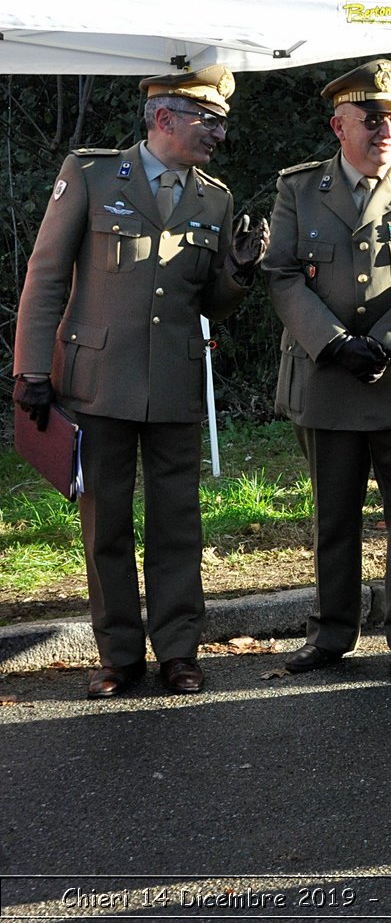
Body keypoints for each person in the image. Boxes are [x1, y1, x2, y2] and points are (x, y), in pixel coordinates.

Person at [12, 66, 265, 698]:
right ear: (163, 118)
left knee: (178, 522)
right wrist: (31, 370)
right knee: (106, 523)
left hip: (174, 382)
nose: (219, 134)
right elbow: (45, 277)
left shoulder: (214, 197)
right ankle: (118, 654)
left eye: (222, 122)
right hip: (96, 381)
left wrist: (237, 270)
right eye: (209, 121)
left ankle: (179, 650)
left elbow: (211, 300)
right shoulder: (93, 175)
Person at [266, 58, 391, 679]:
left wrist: (381, 343)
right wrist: (333, 343)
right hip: (327, 378)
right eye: (372, 119)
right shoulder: (299, 190)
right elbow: (281, 273)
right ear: (338, 127)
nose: (387, 130)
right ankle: (331, 633)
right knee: (334, 512)